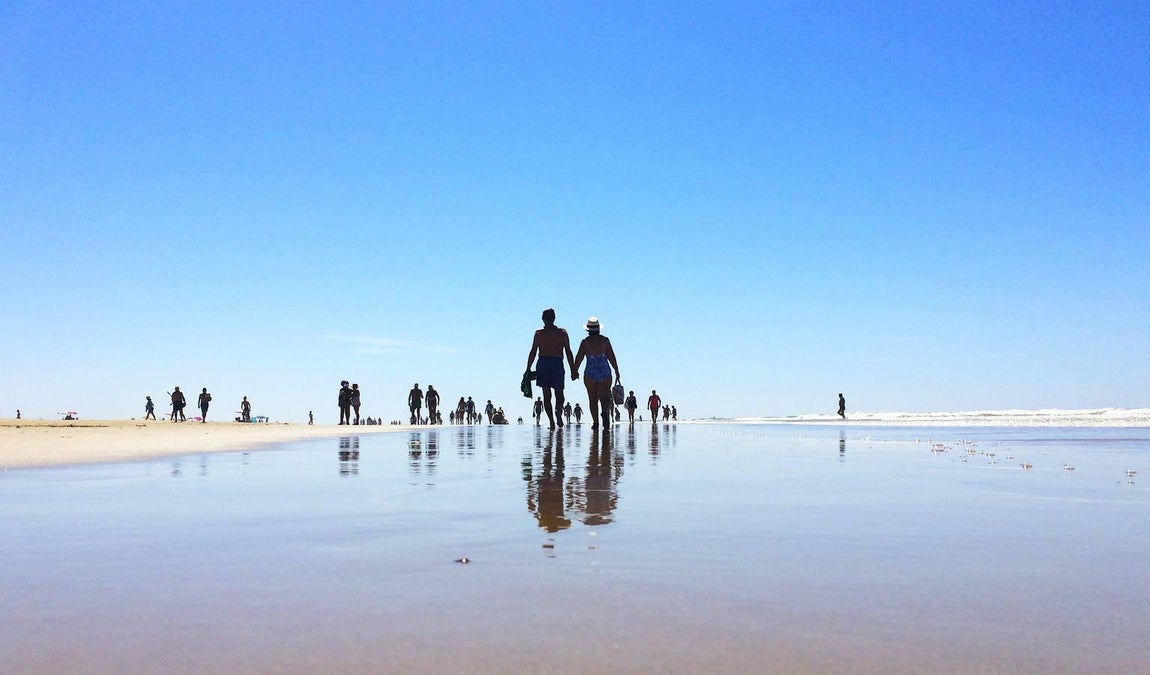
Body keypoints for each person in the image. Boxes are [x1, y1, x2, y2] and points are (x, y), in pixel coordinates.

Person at [525, 308, 577, 429]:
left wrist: (528, 368)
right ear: (554, 318)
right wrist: (573, 369)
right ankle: (558, 412)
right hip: (557, 362)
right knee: (560, 394)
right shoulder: (562, 333)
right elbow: (568, 352)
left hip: (543, 363)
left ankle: (552, 422)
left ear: (543, 319)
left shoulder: (539, 334)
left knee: (546, 396)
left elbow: (533, 351)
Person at [572, 317, 620, 430]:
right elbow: (611, 356)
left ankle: (596, 422)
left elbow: (579, 357)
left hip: (590, 372)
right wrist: (616, 370)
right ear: (599, 329)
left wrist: (574, 371)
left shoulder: (585, 342)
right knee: (605, 398)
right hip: (604, 370)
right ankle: (605, 413)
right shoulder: (605, 341)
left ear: (588, 330)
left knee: (592, 399)